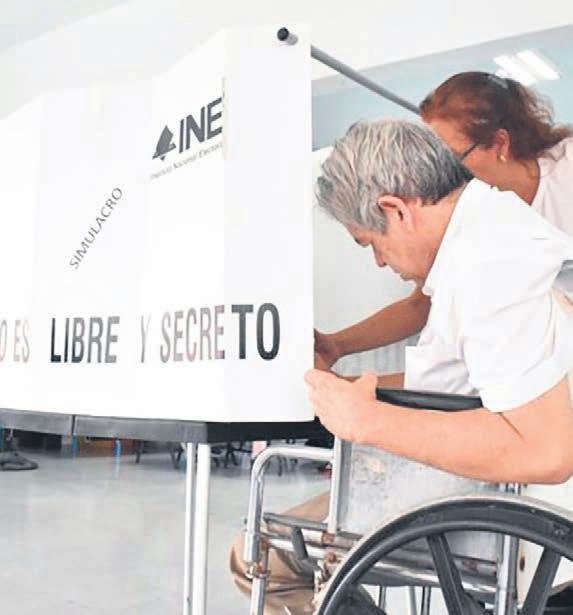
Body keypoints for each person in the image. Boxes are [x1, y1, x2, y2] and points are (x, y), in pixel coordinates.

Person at [231, 119, 573, 614]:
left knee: (257, 555)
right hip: (483, 497)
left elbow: (546, 450)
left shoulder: (488, 266)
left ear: (395, 209)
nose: (377, 261)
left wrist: (369, 421)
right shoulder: (487, 232)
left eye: (370, 242)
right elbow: (465, 386)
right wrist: (347, 386)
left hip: (491, 512)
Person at [315, 72, 573, 371]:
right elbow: (421, 305)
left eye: (450, 156)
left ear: (500, 143)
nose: (434, 167)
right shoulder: (468, 227)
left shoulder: (564, 173)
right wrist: (337, 345)